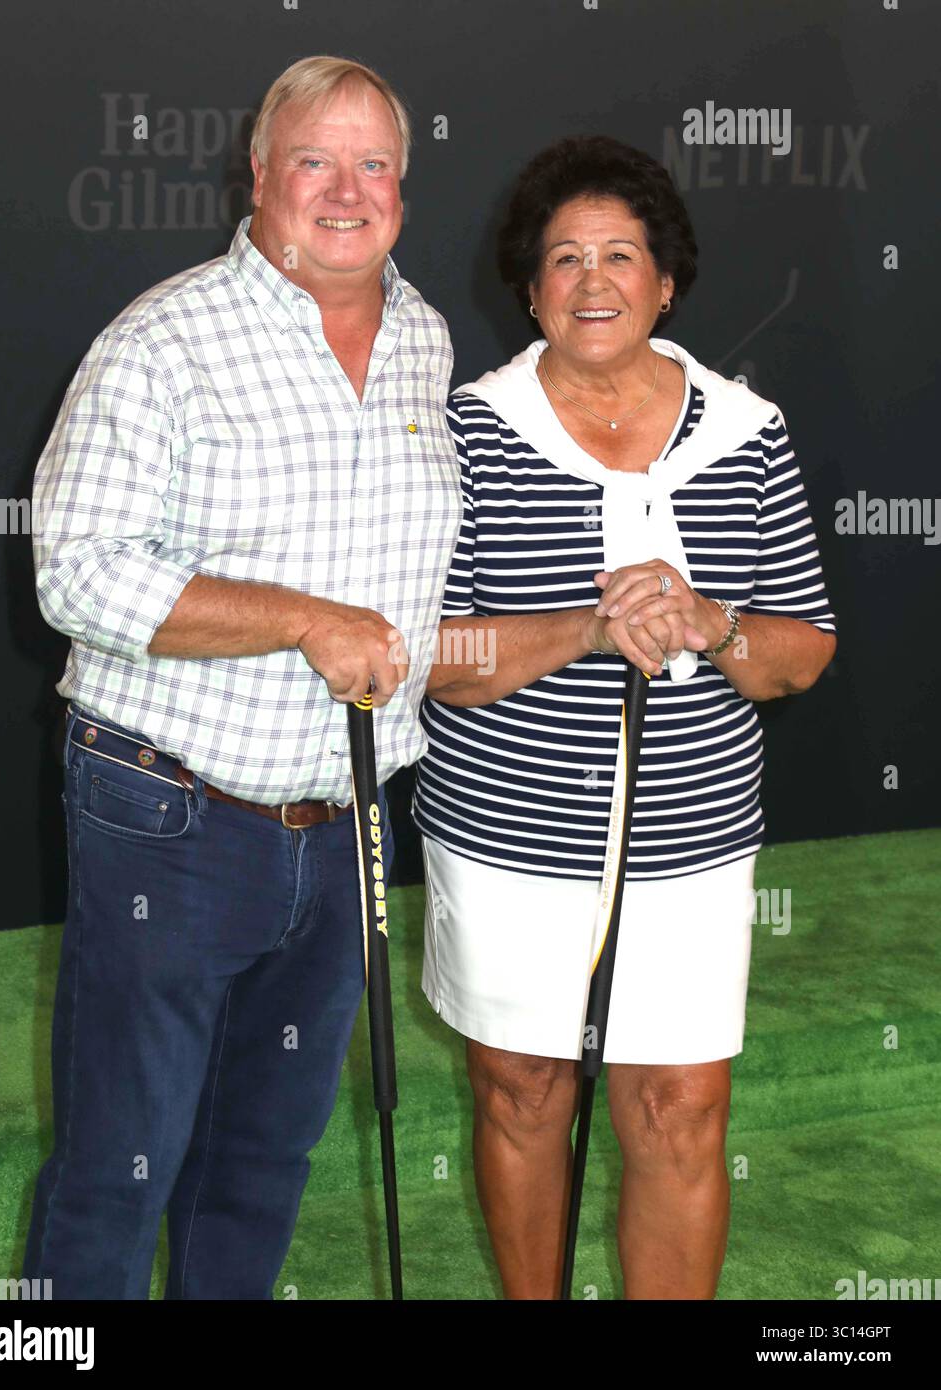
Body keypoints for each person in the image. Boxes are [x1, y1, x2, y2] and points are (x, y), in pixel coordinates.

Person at [24, 55, 461, 1300]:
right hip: (170, 814)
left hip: (347, 828)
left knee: (264, 1159)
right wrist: (299, 618)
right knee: (121, 1165)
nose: (345, 189)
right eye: (314, 160)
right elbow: (79, 575)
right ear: (259, 177)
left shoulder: (425, 340)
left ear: (402, 187)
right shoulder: (161, 340)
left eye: (373, 163)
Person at [412, 135, 837, 1300]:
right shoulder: (465, 433)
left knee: (680, 1105)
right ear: (527, 286)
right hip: (506, 837)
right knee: (520, 1091)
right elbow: (430, 660)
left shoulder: (747, 432)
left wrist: (709, 618)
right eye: (562, 258)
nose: (591, 281)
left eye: (619, 256)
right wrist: (588, 629)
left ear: (664, 281)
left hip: (688, 847)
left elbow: (799, 653)